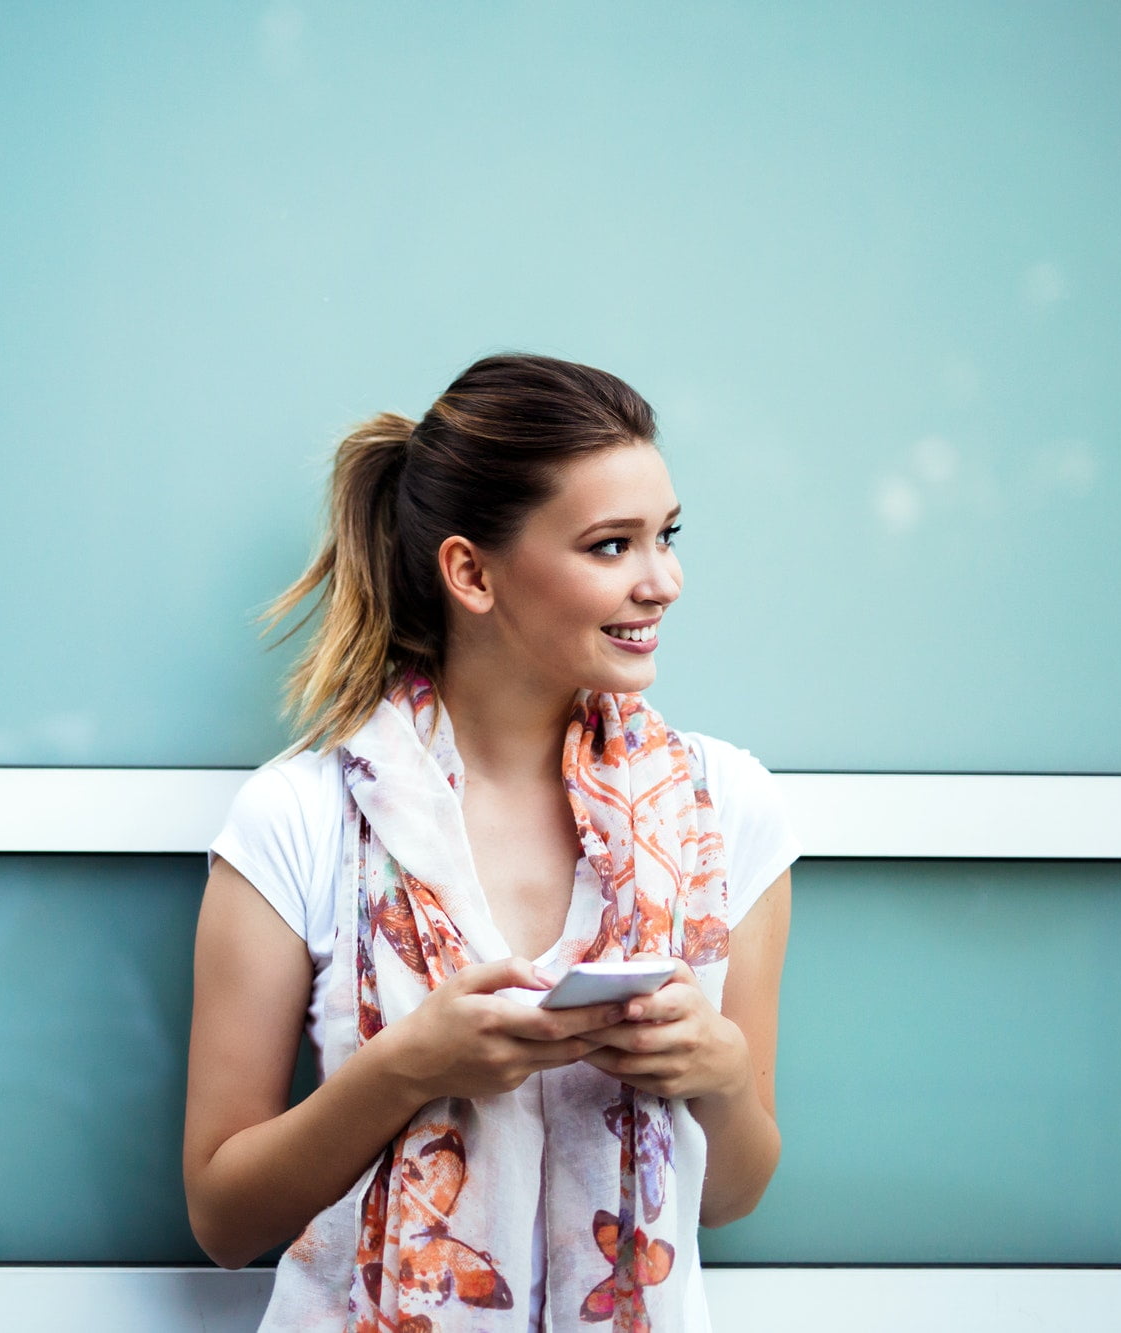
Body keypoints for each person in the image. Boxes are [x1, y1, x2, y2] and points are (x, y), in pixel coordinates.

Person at [183, 353, 799, 1332]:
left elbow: (726, 1195)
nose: (663, 581)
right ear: (470, 570)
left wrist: (717, 1075)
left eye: (665, 536)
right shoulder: (297, 817)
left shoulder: (728, 809)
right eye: (610, 545)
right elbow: (221, 1217)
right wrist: (407, 1068)